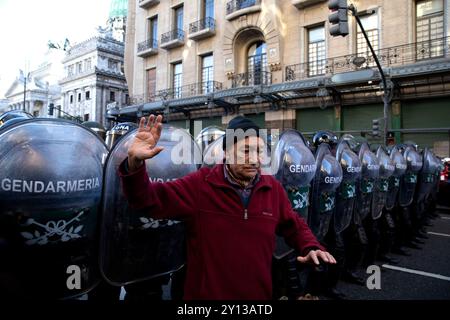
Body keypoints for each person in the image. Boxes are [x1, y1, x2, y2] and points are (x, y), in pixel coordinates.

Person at [118, 114, 336, 300]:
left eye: (260, 151)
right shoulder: (200, 185)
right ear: (227, 153)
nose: (255, 159)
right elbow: (146, 200)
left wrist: (310, 246)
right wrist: (135, 165)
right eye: (246, 151)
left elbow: (294, 224)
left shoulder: (273, 188)